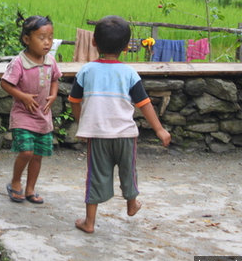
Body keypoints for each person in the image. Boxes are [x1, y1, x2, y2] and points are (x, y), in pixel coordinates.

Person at [68, 15, 171, 233]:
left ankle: (89, 222)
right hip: (125, 135)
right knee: (128, 170)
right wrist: (160, 130)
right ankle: (132, 204)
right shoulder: (129, 73)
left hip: (97, 136)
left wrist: (82, 124)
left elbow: (74, 101)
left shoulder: (86, 71)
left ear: (94, 42)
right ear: (126, 47)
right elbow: (144, 104)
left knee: (95, 175)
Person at [1, 15, 61, 204]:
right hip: (23, 116)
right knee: (26, 151)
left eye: (50, 38)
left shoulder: (50, 60)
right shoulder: (19, 62)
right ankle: (16, 182)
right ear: (27, 39)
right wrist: (23, 97)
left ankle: (30, 189)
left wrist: (53, 94)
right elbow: (5, 83)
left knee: (38, 155)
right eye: (41, 38)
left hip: (43, 116)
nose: (47, 42)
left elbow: (54, 79)